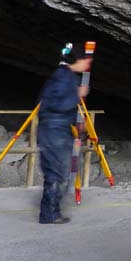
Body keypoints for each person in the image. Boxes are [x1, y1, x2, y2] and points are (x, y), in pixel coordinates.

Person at [37, 43, 91, 225]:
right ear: (79, 60)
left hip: (59, 129)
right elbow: (54, 105)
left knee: (61, 172)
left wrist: (79, 120)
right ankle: (49, 215)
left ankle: (51, 212)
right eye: (87, 60)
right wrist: (78, 95)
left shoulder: (67, 76)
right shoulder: (62, 77)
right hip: (53, 131)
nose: (88, 64)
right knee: (56, 173)